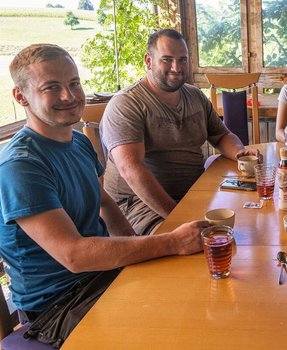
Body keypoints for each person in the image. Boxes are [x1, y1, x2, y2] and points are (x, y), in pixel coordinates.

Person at [0, 43, 209, 347]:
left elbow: (104, 203)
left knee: (198, 291)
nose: (69, 96)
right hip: (59, 305)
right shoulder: (22, 165)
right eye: (52, 87)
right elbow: (74, 255)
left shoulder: (79, 143)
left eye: (74, 83)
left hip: (102, 278)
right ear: (21, 96)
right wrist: (171, 242)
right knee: (176, 329)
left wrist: (138, 252)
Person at [101, 29, 260, 236]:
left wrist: (240, 152)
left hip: (193, 194)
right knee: (202, 245)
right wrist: (178, 216)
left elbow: (221, 136)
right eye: (167, 59)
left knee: (251, 220)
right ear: (148, 61)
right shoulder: (126, 103)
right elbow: (132, 170)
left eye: (182, 60)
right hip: (141, 205)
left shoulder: (195, 95)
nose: (176, 67)